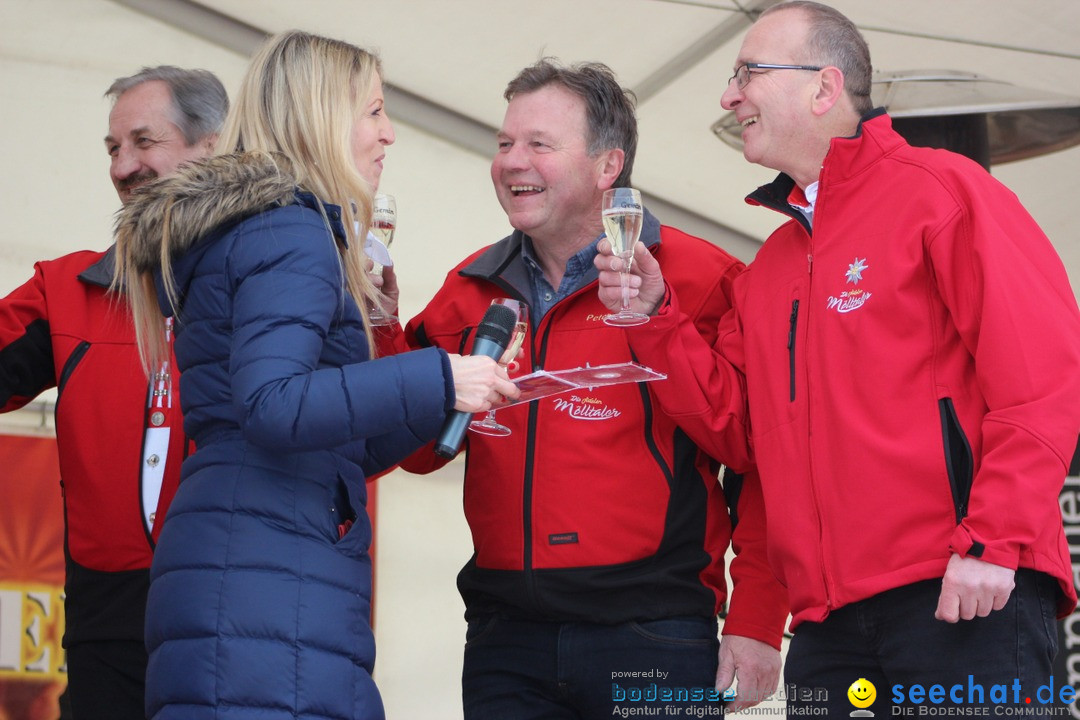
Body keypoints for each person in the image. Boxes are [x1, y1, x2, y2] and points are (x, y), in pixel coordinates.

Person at [595, 2, 1080, 715]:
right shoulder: (773, 269)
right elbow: (742, 435)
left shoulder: (942, 192)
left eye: (746, 73)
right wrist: (655, 319)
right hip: (826, 625)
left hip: (959, 593)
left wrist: (994, 543)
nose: (729, 96)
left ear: (824, 88)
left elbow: (1042, 376)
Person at [112, 30, 517, 720]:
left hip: (264, 562)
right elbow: (276, 406)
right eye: (375, 111)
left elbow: (332, 446)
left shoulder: (268, 229)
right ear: (322, 116)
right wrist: (438, 377)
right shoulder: (288, 230)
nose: (389, 135)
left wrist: (452, 395)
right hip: (261, 578)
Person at [394, 59, 787, 719]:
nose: (510, 161)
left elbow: (759, 456)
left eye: (538, 145)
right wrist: (380, 331)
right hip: (502, 639)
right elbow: (417, 452)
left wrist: (755, 618)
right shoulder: (468, 289)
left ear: (608, 166)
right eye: (503, 143)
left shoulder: (703, 278)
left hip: (655, 632)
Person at [0, 65, 227, 719]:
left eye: (143, 142)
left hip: (234, 619)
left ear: (208, 145)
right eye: (111, 148)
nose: (123, 166)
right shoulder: (70, 289)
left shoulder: (266, 282)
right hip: (106, 631)